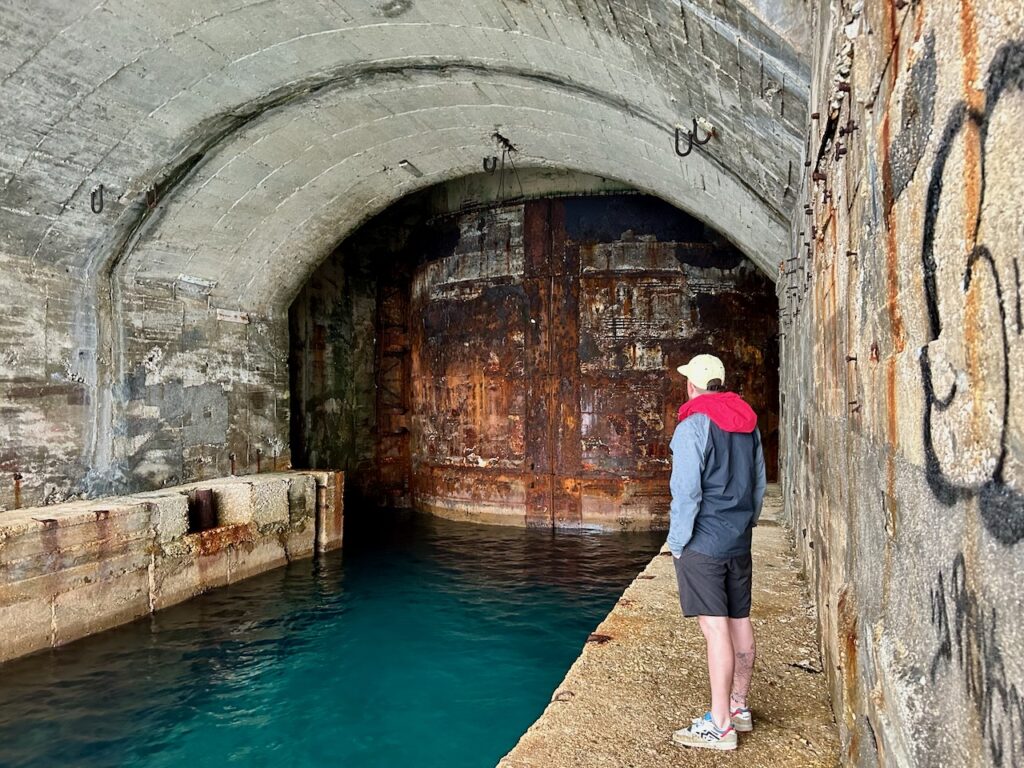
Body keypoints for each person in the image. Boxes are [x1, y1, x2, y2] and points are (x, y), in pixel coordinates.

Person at [666, 353, 766, 751]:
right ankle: (738, 708)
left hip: (703, 543)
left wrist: (677, 543)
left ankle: (720, 725)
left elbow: (686, 494)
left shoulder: (693, 426)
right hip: (738, 540)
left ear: (693, 386)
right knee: (739, 620)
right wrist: (746, 524)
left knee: (715, 628)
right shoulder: (748, 424)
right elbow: (758, 485)